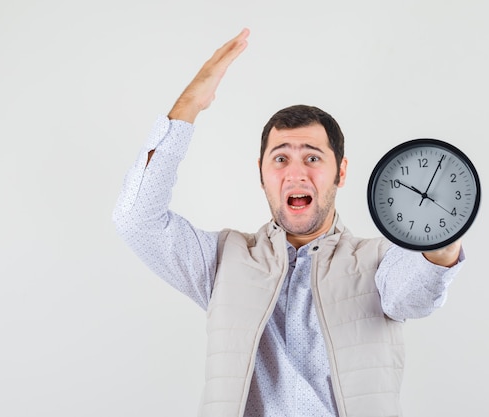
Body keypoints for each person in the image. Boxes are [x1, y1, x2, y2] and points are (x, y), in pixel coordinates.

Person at [113, 28, 464, 417]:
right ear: (261, 174)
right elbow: (135, 218)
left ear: (340, 172)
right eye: (280, 158)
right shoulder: (220, 261)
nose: (296, 173)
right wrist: (188, 107)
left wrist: (442, 246)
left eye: (313, 158)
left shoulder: (379, 261)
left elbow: (414, 295)